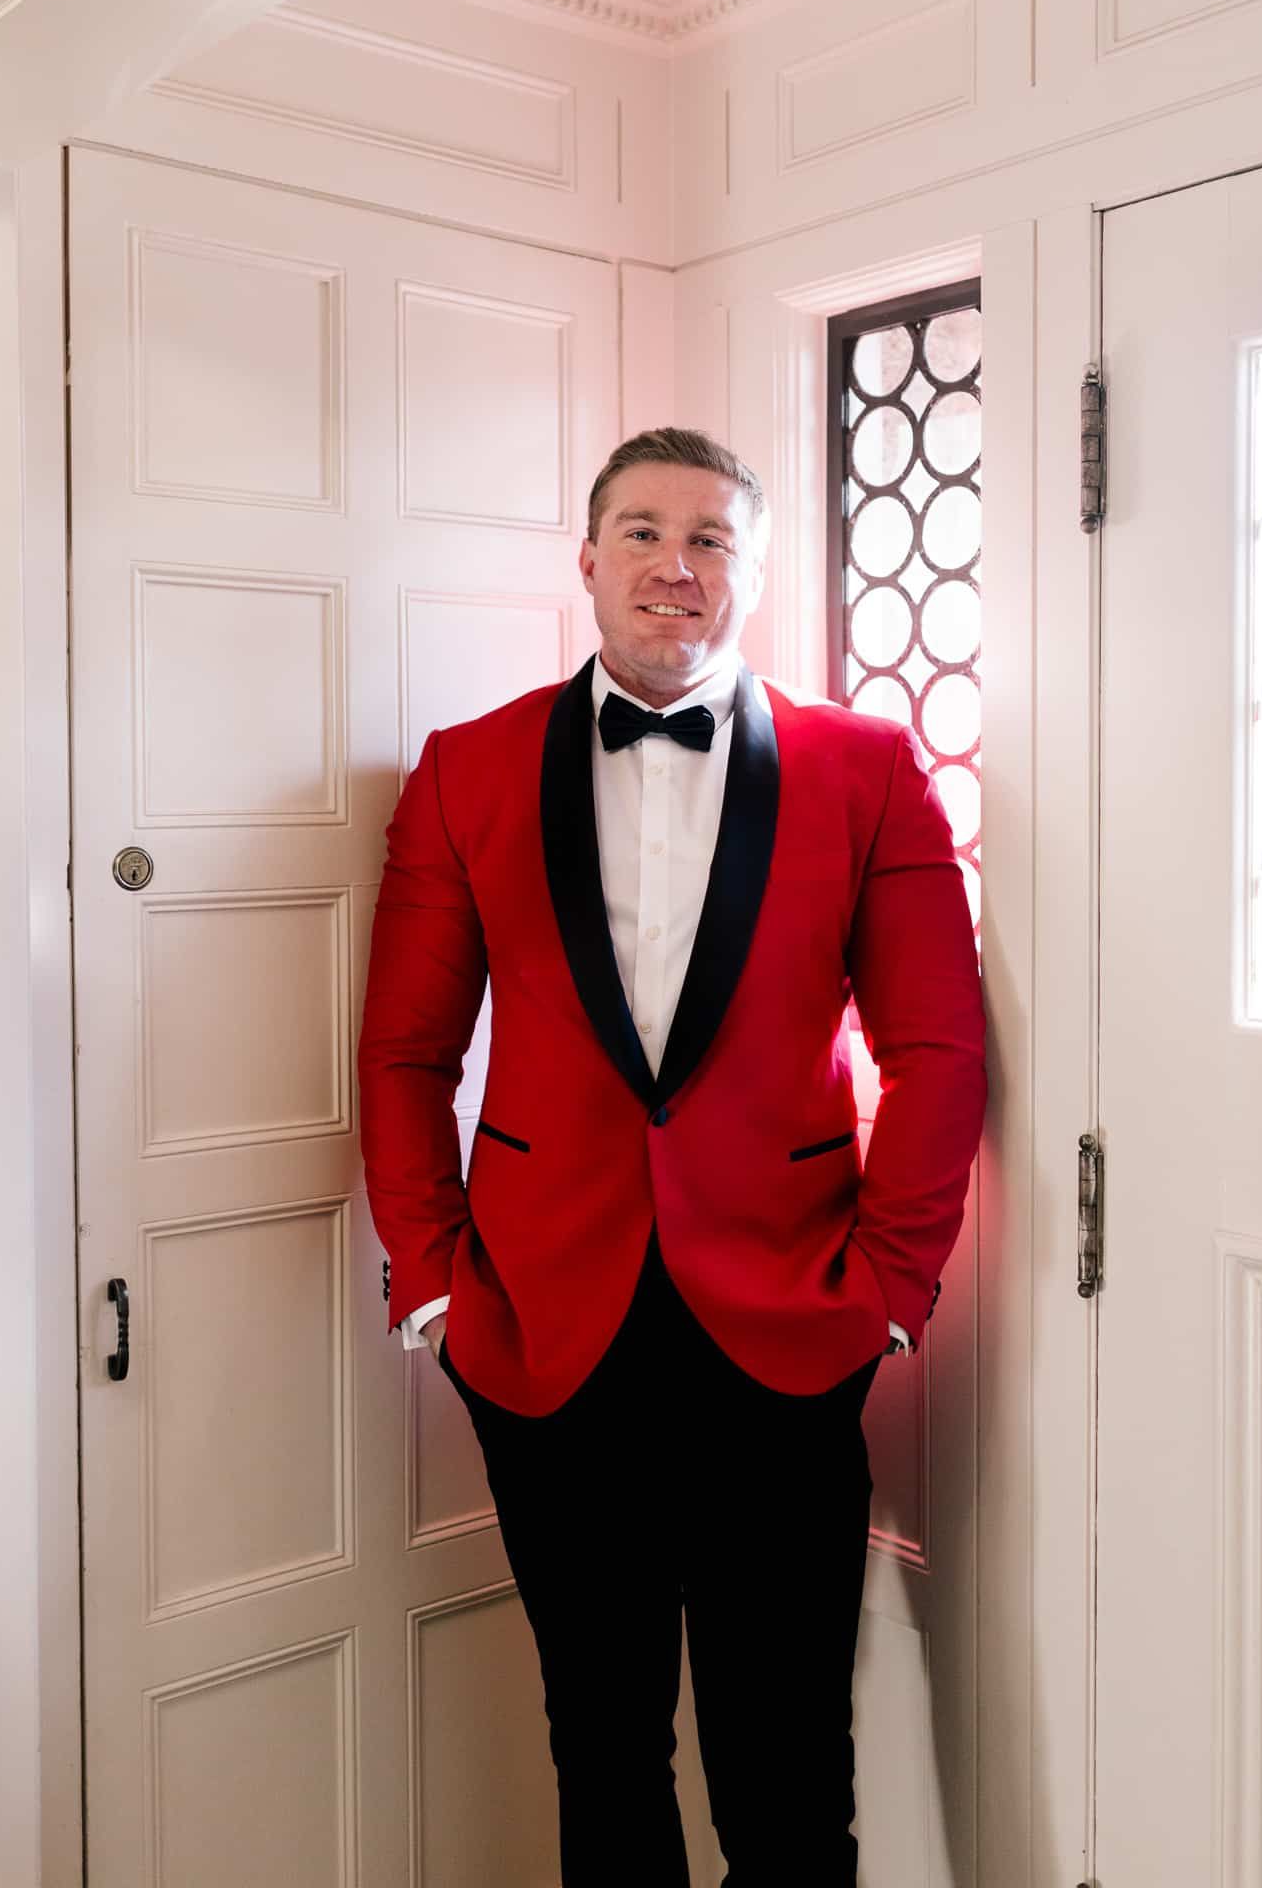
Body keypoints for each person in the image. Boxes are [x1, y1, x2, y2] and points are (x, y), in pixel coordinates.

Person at [358, 425, 987, 1887]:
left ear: (753, 576)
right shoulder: (466, 771)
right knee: (602, 1750)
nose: (674, 562)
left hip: (787, 1331)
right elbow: (402, 1059)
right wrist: (438, 1288)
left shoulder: (864, 767)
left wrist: (888, 1286)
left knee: (786, 1773)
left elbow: (938, 1050)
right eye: (642, 531)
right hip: (538, 1336)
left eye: (710, 538)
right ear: (587, 560)